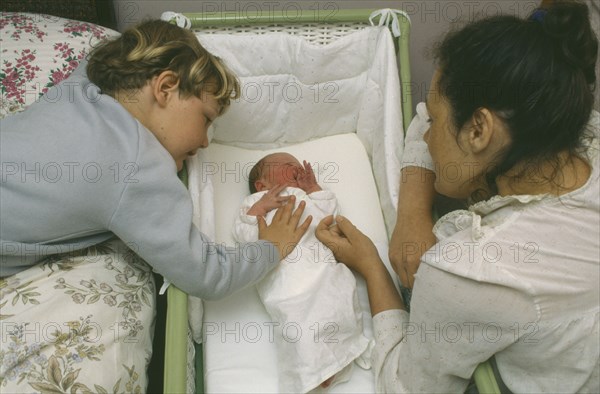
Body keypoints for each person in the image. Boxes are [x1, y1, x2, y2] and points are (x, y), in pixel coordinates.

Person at [0, 20, 310, 390]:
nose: (206, 142)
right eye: (206, 120)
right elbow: (206, 272)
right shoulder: (136, 167)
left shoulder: (84, 81)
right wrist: (271, 248)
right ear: (165, 88)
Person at [316, 1, 599, 392]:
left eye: (436, 121)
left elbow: (406, 386)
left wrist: (372, 266)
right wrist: (412, 212)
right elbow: (420, 121)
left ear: (479, 130)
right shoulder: (579, 132)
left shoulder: (470, 272)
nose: (426, 134)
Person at [233, 152, 370, 393]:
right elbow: (245, 236)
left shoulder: (307, 198)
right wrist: (259, 209)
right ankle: (311, 369)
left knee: (340, 298)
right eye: (288, 166)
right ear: (261, 184)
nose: (297, 168)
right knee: (298, 324)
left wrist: (314, 188)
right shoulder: (257, 204)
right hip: (287, 279)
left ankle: (345, 348)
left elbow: (329, 214)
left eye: (299, 166)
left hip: (321, 267)